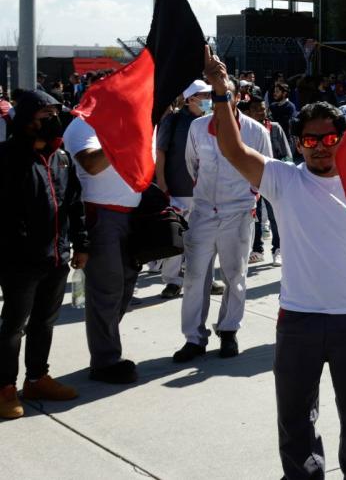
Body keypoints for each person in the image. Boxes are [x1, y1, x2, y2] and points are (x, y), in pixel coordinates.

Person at [203, 49, 346, 479]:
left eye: (330, 139)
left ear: (343, 139)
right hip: (298, 323)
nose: (321, 148)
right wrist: (221, 92)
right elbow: (233, 149)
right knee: (295, 423)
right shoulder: (284, 180)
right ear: (298, 143)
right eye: (310, 140)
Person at [0, 91, 88, 419]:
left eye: (54, 113)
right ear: (26, 119)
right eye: (44, 114)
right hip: (20, 261)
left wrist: (81, 245)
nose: (51, 120)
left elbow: (74, 205)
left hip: (56, 256)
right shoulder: (7, 158)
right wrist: (20, 250)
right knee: (13, 326)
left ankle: (37, 378)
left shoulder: (61, 158)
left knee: (44, 322)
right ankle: (5, 388)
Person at [172, 79, 271, 362]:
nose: (215, 99)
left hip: (238, 212)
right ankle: (194, 337)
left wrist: (248, 199)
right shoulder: (197, 127)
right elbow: (193, 165)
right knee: (193, 277)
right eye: (213, 94)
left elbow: (266, 170)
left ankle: (228, 330)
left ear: (238, 97)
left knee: (235, 276)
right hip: (202, 212)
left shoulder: (255, 131)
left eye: (223, 94)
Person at [63, 112, 142, 384]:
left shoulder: (132, 120)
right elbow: (91, 165)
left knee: (126, 286)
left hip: (132, 213)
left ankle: (105, 347)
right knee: (107, 290)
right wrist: (125, 137)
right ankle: (105, 360)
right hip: (100, 214)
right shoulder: (82, 125)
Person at [154, 80, 211, 299]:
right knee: (177, 238)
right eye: (204, 96)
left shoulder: (213, 121)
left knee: (205, 239)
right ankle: (173, 281)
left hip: (206, 192)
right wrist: (162, 184)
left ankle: (205, 278)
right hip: (178, 189)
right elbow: (161, 152)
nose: (208, 100)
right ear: (190, 100)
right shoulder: (174, 120)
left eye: (209, 95)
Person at [241, 95, 291, 265]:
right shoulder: (244, 130)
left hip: (272, 177)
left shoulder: (275, 128)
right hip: (251, 178)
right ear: (248, 112)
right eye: (257, 109)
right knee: (255, 216)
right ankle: (257, 249)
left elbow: (285, 152)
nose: (261, 112)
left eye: (263, 109)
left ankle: (278, 249)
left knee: (275, 215)